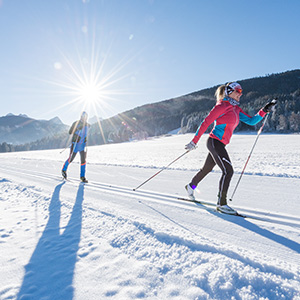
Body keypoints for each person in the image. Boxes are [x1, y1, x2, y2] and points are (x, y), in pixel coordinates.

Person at [184, 82, 276, 214]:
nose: (240, 93)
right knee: (228, 171)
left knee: (206, 169)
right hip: (214, 142)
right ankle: (222, 203)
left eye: (241, 91)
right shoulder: (222, 105)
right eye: (237, 91)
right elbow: (206, 122)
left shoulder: (236, 109)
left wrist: (265, 109)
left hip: (220, 144)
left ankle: (190, 186)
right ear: (229, 92)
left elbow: (251, 121)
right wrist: (194, 141)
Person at [62, 111, 90, 183]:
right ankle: (64, 170)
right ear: (81, 117)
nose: (85, 118)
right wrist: (77, 129)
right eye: (83, 117)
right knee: (71, 159)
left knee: (83, 161)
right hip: (75, 145)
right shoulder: (76, 123)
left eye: (86, 117)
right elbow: (70, 132)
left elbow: (86, 133)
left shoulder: (87, 125)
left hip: (82, 145)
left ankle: (82, 177)